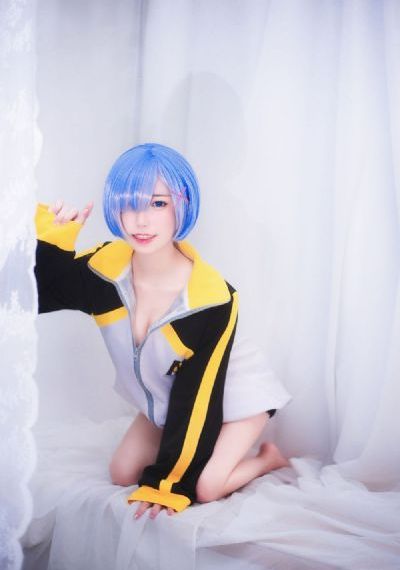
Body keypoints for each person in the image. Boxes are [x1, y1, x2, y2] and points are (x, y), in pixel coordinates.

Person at [34, 142, 291, 520]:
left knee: (206, 487)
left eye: (157, 203)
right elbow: (37, 296)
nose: (141, 221)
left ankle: (268, 459)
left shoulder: (212, 299)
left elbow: (199, 398)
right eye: (130, 204)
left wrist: (168, 484)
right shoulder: (105, 270)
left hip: (232, 393)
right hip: (168, 393)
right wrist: (53, 243)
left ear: (182, 204)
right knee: (122, 473)